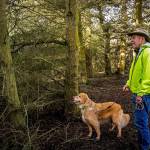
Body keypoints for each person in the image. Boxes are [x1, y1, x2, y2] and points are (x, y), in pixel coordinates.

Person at [123, 28, 150, 150]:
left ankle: (145, 147)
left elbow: (148, 75)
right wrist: (128, 83)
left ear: (142, 38)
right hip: (138, 93)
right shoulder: (138, 52)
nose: (131, 40)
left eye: (133, 38)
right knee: (140, 123)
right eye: (131, 38)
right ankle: (142, 145)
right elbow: (135, 72)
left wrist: (141, 93)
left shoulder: (147, 52)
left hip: (143, 95)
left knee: (141, 123)